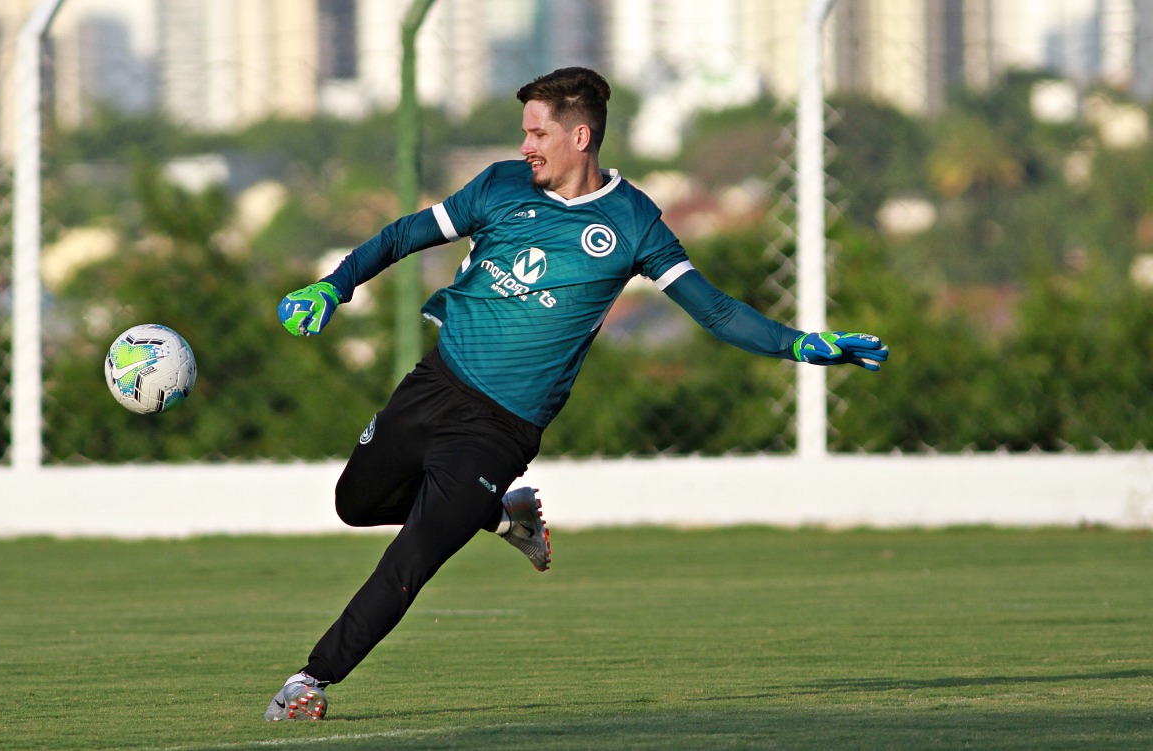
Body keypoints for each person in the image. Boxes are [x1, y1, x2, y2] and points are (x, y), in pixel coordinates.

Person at [264, 67, 889, 721]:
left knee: (416, 550)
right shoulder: (500, 186)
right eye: (525, 132)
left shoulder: (632, 221)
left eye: (538, 133)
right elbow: (402, 235)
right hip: (434, 384)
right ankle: (505, 515)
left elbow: (716, 310)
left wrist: (797, 343)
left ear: (580, 135)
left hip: (498, 429)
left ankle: (311, 680)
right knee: (354, 503)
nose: (526, 145)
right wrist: (335, 285)